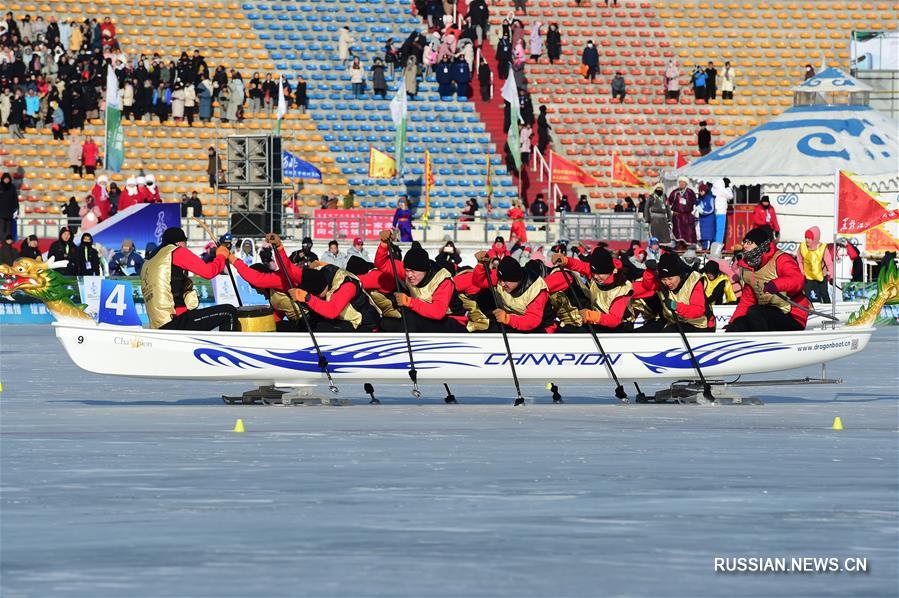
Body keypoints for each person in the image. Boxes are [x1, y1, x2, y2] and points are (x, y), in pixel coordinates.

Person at [140, 227, 238, 331]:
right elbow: (209, 272)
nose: (186, 247)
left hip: (158, 324)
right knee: (229, 312)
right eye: (186, 244)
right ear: (179, 243)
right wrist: (221, 255)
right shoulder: (176, 251)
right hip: (176, 320)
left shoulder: (148, 261)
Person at [374, 233, 467, 333]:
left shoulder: (442, 280)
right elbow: (381, 264)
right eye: (407, 270)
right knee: (386, 322)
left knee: (410, 317)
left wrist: (408, 301)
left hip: (452, 321)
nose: (409, 275)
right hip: (424, 317)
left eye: (413, 271)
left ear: (424, 270)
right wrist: (384, 244)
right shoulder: (408, 271)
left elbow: (438, 312)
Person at [727, 227, 808, 332]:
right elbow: (747, 300)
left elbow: (798, 280)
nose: (745, 246)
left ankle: (761, 344)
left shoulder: (781, 259)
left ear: (760, 244)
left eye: (749, 242)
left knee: (755, 312)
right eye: (744, 242)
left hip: (792, 316)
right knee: (739, 323)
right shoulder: (748, 267)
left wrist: (776, 284)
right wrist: (732, 323)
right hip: (767, 313)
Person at [552, 248, 635, 332]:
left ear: (610, 271)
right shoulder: (597, 274)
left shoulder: (621, 290)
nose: (595, 276)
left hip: (619, 329)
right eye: (594, 273)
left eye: (599, 273)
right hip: (599, 321)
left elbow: (614, 320)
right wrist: (565, 260)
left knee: (580, 332)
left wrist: (591, 316)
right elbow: (581, 266)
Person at [472, 254, 555, 333]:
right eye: (501, 280)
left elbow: (533, 320)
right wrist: (481, 265)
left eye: (506, 281)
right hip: (511, 320)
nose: (502, 284)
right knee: (484, 294)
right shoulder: (503, 276)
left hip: (540, 328)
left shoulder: (536, 289)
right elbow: (479, 282)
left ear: (516, 279)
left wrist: (507, 319)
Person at [637, 252, 714, 333]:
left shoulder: (693, 282)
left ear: (679, 275)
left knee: (667, 332)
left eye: (670, 278)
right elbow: (648, 286)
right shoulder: (662, 283)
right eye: (664, 279)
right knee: (644, 331)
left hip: (700, 325)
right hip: (674, 322)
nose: (667, 282)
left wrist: (676, 306)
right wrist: (650, 271)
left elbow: (698, 310)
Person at [797, 226, 832, 304]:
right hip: (808, 276)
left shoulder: (823, 248)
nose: (807, 240)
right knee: (804, 294)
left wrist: (832, 276)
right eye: (806, 237)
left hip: (821, 275)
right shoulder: (802, 246)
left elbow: (829, 263)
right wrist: (802, 273)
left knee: (824, 294)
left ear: (815, 238)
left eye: (809, 238)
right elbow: (799, 261)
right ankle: (802, 309)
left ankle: (829, 310)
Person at [668, 177, 697, 244]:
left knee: (688, 234)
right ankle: (678, 246)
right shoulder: (675, 192)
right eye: (680, 182)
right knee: (677, 233)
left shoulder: (690, 192)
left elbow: (695, 203)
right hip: (677, 217)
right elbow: (669, 202)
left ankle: (689, 247)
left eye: (683, 182)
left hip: (687, 217)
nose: (681, 184)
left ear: (686, 183)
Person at [710, 178, 732, 247]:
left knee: (713, 229)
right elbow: (730, 196)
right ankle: (718, 246)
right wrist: (728, 188)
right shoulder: (722, 189)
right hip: (721, 211)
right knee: (720, 230)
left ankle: (712, 245)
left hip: (714, 211)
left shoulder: (714, 188)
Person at [696, 182, 716, 250]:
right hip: (702, 220)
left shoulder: (710, 198)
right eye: (699, 191)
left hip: (709, 219)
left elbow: (712, 209)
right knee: (702, 236)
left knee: (708, 236)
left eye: (702, 191)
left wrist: (705, 212)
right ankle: (704, 248)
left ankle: (707, 249)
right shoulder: (699, 199)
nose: (700, 192)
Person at [0, 172, 18, 240]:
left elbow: (15, 199)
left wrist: (16, 209)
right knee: (1, 227)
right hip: (1, 212)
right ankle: (2, 241)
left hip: (10, 211)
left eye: (8, 179)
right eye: (5, 179)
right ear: (2, 179)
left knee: (9, 228)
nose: (6, 180)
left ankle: (7, 241)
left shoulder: (12, 187)